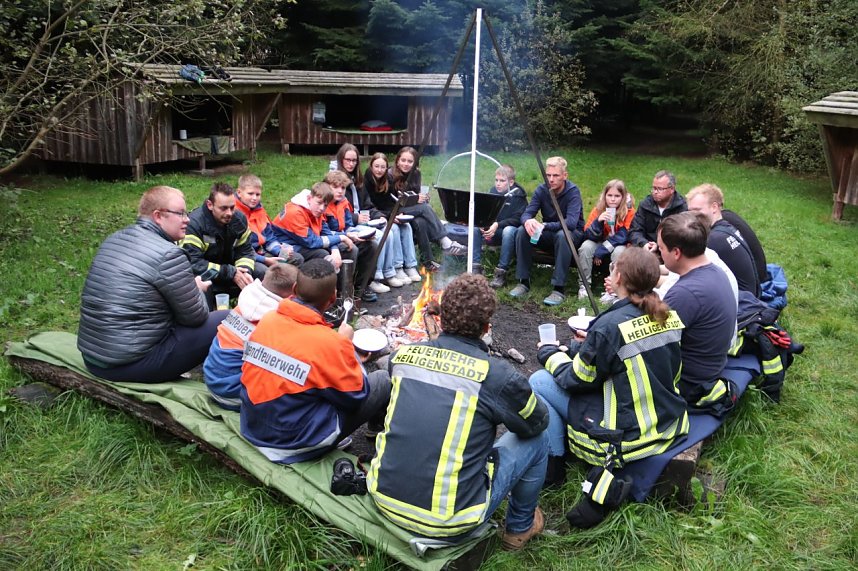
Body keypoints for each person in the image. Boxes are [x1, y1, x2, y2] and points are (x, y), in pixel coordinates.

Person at [367, 274, 549, 550]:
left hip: (383, 499)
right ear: (486, 327)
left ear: (440, 318)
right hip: (448, 522)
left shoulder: (402, 357)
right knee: (538, 442)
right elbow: (537, 423)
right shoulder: (497, 376)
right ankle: (519, 528)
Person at [529, 247, 689, 527]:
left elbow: (577, 379)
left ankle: (554, 466)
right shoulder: (667, 312)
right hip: (668, 422)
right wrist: (582, 347)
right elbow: (629, 354)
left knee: (539, 381)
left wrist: (549, 354)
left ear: (618, 276)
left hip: (625, 436)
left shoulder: (610, 326)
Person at [239, 259, 391, 464]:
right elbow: (357, 395)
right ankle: (377, 435)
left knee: (318, 382)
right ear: (333, 297)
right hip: (292, 442)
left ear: (294, 288)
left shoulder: (268, 320)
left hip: (253, 427)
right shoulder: (330, 343)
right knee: (381, 379)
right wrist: (348, 348)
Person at [78, 185, 227, 382]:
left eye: (187, 212)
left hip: (94, 358)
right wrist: (197, 289)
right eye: (180, 213)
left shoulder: (115, 238)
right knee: (228, 318)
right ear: (158, 216)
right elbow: (196, 317)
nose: (187, 219)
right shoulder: (168, 254)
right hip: (129, 365)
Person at [657, 212, 738, 416]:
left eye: (661, 249)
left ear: (676, 253)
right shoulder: (716, 272)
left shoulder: (686, 293)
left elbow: (650, 344)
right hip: (711, 369)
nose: (660, 254)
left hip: (688, 385)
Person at [203, 263, 297, 410]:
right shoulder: (274, 321)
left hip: (212, 380)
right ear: (294, 290)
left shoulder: (245, 302)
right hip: (234, 395)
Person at [268, 182, 376, 303]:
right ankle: (322, 298)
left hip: (303, 244)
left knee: (351, 247)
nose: (322, 208)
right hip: (286, 248)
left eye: (325, 206)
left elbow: (326, 233)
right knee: (322, 254)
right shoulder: (295, 212)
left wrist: (335, 250)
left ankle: (345, 294)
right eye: (319, 204)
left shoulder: (316, 209)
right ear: (309, 198)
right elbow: (311, 242)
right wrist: (341, 238)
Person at [510, 156, 585, 306]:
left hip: (572, 235)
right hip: (550, 233)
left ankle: (559, 288)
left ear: (565, 175)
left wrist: (544, 225)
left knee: (563, 235)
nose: (551, 179)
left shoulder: (573, 192)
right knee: (521, 231)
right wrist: (528, 221)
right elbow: (526, 213)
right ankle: (523, 281)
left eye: (556, 175)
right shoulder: (542, 189)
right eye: (548, 175)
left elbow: (570, 223)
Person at [382, 146, 467, 271]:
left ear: (415, 162)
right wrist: (416, 200)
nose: (406, 164)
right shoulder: (390, 175)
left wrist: (422, 197)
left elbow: (415, 196)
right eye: (403, 160)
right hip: (394, 211)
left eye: (410, 161)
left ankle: (427, 262)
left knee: (420, 222)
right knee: (425, 208)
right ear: (397, 160)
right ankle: (445, 241)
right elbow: (391, 201)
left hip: (410, 211)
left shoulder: (416, 174)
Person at [182, 182, 261, 308]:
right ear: (210, 205)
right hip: (207, 276)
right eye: (223, 208)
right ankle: (209, 321)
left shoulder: (239, 219)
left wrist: (245, 271)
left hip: (233, 270)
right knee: (201, 289)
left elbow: (245, 250)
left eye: (232, 207)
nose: (229, 213)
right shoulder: (194, 225)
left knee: (263, 273)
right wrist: (230, 272)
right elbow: (193, 263)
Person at [686, 183, 761, 296]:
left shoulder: (715, 240)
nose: (692, 216)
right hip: (747, 296)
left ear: (714, 207)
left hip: (740, 303)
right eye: (690, 211)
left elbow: (685, 273)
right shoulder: (727, 229)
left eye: (697, 210)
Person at [362, 152, 422, 283]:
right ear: (371, 166)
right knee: (393, 229)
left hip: (384, 215)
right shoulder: (366, 181)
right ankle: (396, 268)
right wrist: (389, 217)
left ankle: (410, 266)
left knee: (405, 226)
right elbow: (369, 206)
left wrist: (395, 215)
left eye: (383, 167)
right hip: (371, 216)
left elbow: (390, 204)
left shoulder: (387, 180)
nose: (379, 170)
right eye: (376, 166)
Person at [322, 170, 383, 299]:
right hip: (328, 242)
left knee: (371, 245)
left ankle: (362, 286)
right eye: (335, 187)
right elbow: (322, 230)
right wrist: (347, 236)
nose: (340, 191)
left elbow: (348, 226)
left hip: (344, 237)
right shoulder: (323, 204)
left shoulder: (344, 203)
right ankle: (344, 291)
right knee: (351, 249)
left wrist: (359, 235)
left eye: (343, 188)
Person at [577, 179, 636, 302]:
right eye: (609, 195)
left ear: (623, 197)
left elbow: (625, 235)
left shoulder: (629, 212)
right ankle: (584, 286)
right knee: (586, 246)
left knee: (619, 252)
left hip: (620, 245)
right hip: (601, 241)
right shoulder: (598, 209)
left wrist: (602, 250)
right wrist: (598, 222)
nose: (613, 199)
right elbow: (587, 234)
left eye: (617, 196)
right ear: (605, 196)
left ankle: (613, 289)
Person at [234, 174, 303, 272]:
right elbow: (239, 250)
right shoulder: (233, 213)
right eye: (250, 194)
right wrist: (265, 260)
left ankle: (288, 285)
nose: (254, 198)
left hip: (261, 251)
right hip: (245, 257)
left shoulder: (260, 210)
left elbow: (269, 238)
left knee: (296, 258)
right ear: (239, 193)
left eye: (257, 194)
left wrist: (280, 251)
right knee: (264, 271)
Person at [629, 170, 687, 253]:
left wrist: (659, 245)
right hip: (646, 251)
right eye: (654, 188)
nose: (655, 192)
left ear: (672, 189)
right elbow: (634, 230)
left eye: (660, 189)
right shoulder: (645, 205)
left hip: (671, 252)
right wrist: (644, 244)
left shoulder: (682, 207)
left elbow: (682, 236)